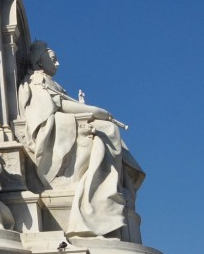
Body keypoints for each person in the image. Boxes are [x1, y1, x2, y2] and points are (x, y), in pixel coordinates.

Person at [18, 42, 143, 239]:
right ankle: (99, 201)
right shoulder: (36, 80)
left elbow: (61, 104)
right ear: (40, 61)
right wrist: (94, 111)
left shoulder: (47, 81)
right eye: (53, 59)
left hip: (63, 123)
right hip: (50, 128)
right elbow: (55, 106)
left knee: (113, 138)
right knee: (107, 132)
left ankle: (113, 196)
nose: (57, 63)